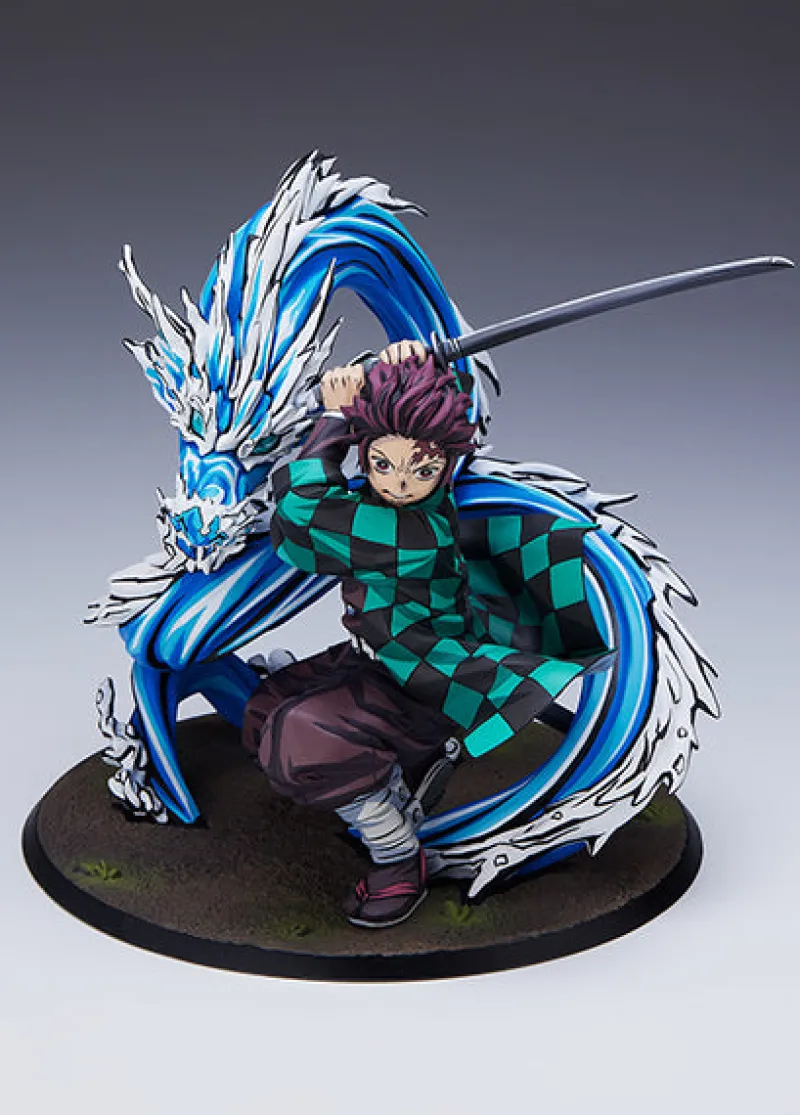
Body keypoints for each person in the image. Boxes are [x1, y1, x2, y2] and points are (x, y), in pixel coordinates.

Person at [242, 341, 612, 928]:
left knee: (299, 740)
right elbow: (305, 529)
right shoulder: (388, 509)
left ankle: (398, 857)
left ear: (445, 465)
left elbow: (301, 515)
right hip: (374, 658)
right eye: (383, 465)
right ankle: (390, 779)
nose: (401, 483)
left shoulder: (411, 533)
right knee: (264, 709)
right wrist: (416, 361)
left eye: (422, 470)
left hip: (421, 683)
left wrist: (334, 417)